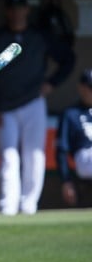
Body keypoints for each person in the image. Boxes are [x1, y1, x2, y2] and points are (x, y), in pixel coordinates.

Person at [0, 0, 75, 215]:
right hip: (5, 108)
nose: (16, 13)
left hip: (33, 102)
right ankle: (8, 208)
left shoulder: (39, 36)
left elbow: (68, 59)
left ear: (27, 9)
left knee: (34, 155)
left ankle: (29, 205)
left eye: (19, 8)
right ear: (7, 11)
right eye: (11, 9)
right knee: (9, 157)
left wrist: (51, 84)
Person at [55, 68, 92, 207]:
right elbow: (61, 150)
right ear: (82, 88)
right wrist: (66, 181)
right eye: (90, 88)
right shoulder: (71, 113)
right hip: (85, 155)